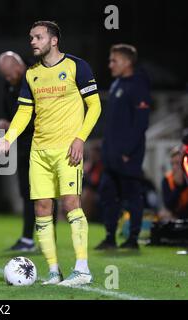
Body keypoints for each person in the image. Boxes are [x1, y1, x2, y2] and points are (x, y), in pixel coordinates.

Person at [0, 21, 101, 286]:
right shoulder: (32, 74)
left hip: (67, 150)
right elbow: (25, 111)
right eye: (31, 37)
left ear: (53, 40)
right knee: (41, 208)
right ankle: (53, 271)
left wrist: (80, 138)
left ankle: (82, 269)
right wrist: (8, 137)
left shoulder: (77, 66)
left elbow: (94, 106)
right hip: (39, 152)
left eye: (38, 37)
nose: (32, 41)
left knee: (71, 204)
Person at [95, 44, 151, 250]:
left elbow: (141, 123)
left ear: (127, 63)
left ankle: (132, 239)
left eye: (114, 61)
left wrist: (128, 151)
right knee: (108, 195)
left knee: (131, 196)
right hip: (111, 155)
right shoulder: (117, 84)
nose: (110, 65)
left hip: (128, 156)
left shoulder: (138, 86)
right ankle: (110, 237)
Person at [0, 51, 36, 251]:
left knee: (42, 193)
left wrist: (13, 125)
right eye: (5, 75)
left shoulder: (33, 79)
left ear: (19, 67)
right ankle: (29, 238)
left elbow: (37, 116)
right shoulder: (10, 85)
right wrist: (5, 122)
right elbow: (9, 112)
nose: (8, 78)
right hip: (22, 145)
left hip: (38, 144)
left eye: (10, 74)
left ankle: (38, 238)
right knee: (26, 192)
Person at [161, 146, 188, 219]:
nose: (174, 167)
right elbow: (169, 205)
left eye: (177, 163)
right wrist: (178, 186)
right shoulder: (167, 180)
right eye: (172, 164)